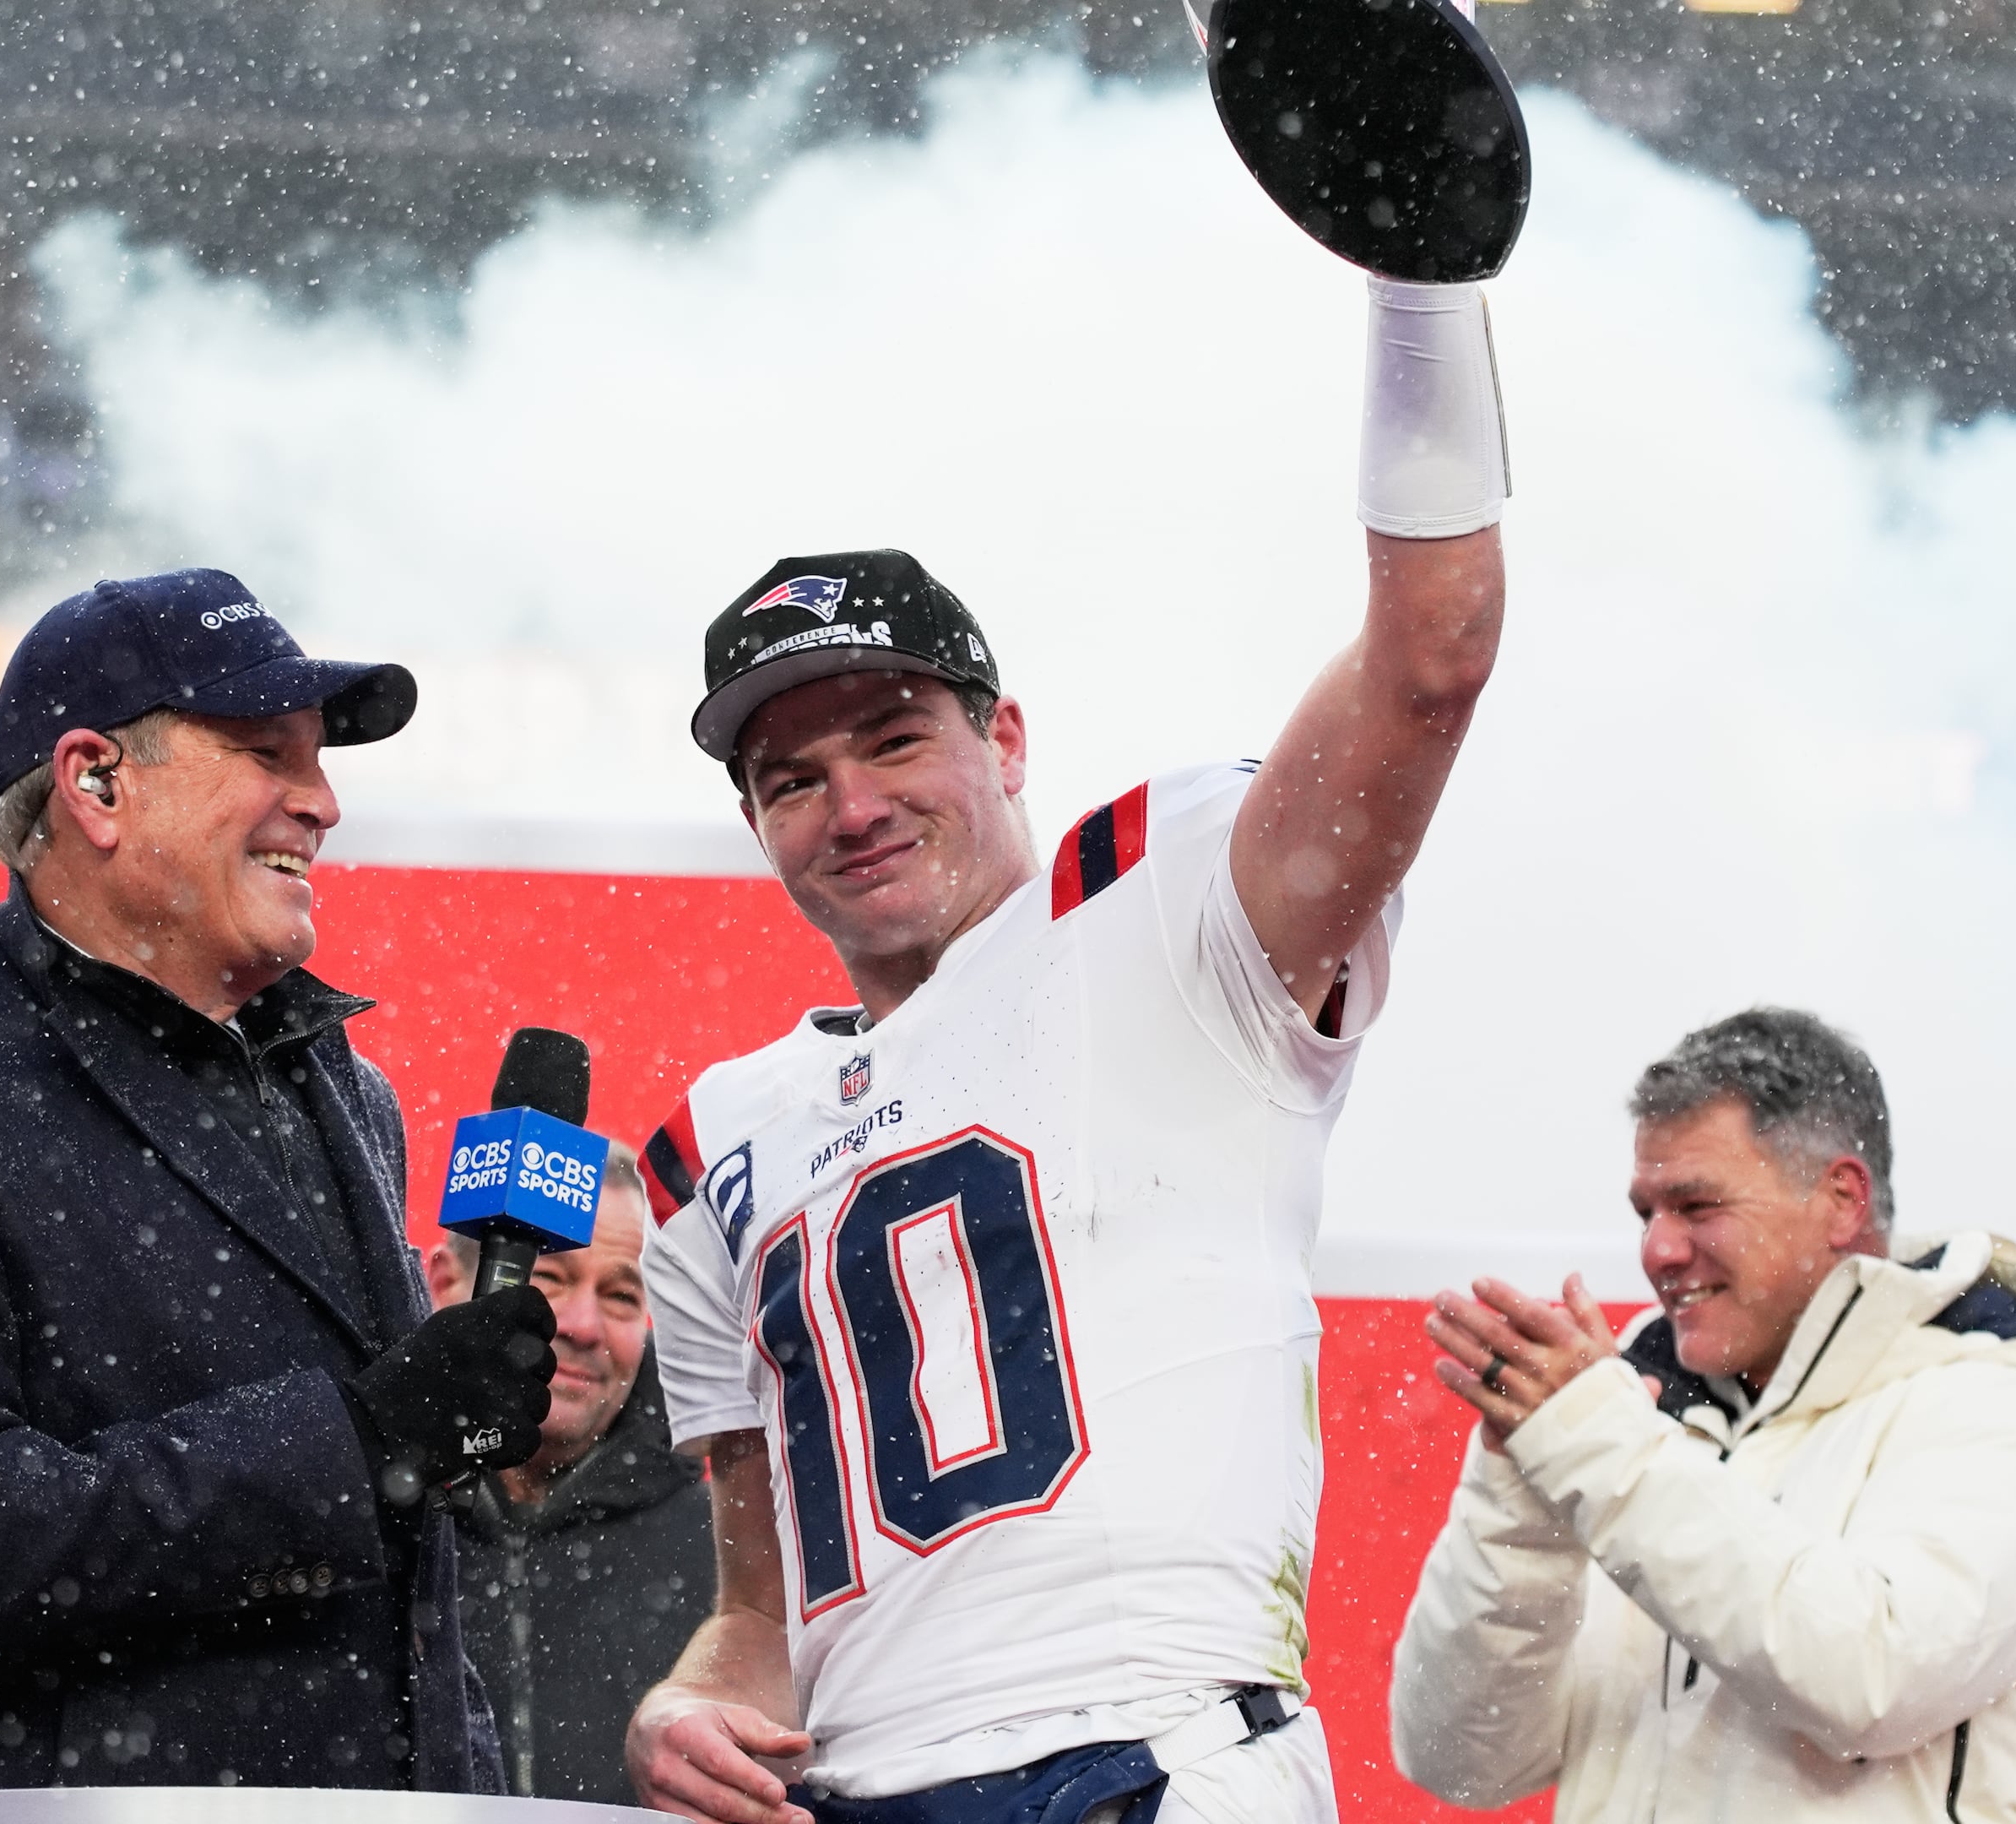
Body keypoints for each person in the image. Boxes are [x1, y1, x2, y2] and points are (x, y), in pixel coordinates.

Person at [625, 268, 1511, 1821]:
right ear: (756, 824)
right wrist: (697, 1693)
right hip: (856, 1794)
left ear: (1007, 739)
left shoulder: (1161, 905)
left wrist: (1422, 289)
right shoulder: (717, 1146)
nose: (854, 805)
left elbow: (1429, 656)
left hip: (1151, 1749)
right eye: (792, 777)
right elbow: (763, 1614)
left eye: (897, 738)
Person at [0, 568, 558, 1797]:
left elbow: (408, 1605)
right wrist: (356, 1444)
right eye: (266, 753)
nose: (324, 803)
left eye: (321, 761)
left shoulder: (349, 1093)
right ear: (95, 784)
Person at [1388, 1009, 2016, 1823]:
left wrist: (1595, 1447)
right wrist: (1523, 1497)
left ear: (1841, 1199)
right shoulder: (1647, 1429)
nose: (1658, 1250)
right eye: (1646, 1211)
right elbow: (1460, 1760)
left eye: (1697, 1204)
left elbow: (1866, 1679)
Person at [424, 1144, 714, 1805]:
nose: (582, 1326)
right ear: (444, 1284)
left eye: (619, 1294)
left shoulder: (730, 1558)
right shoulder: (357, 1521)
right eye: (550, 1279)